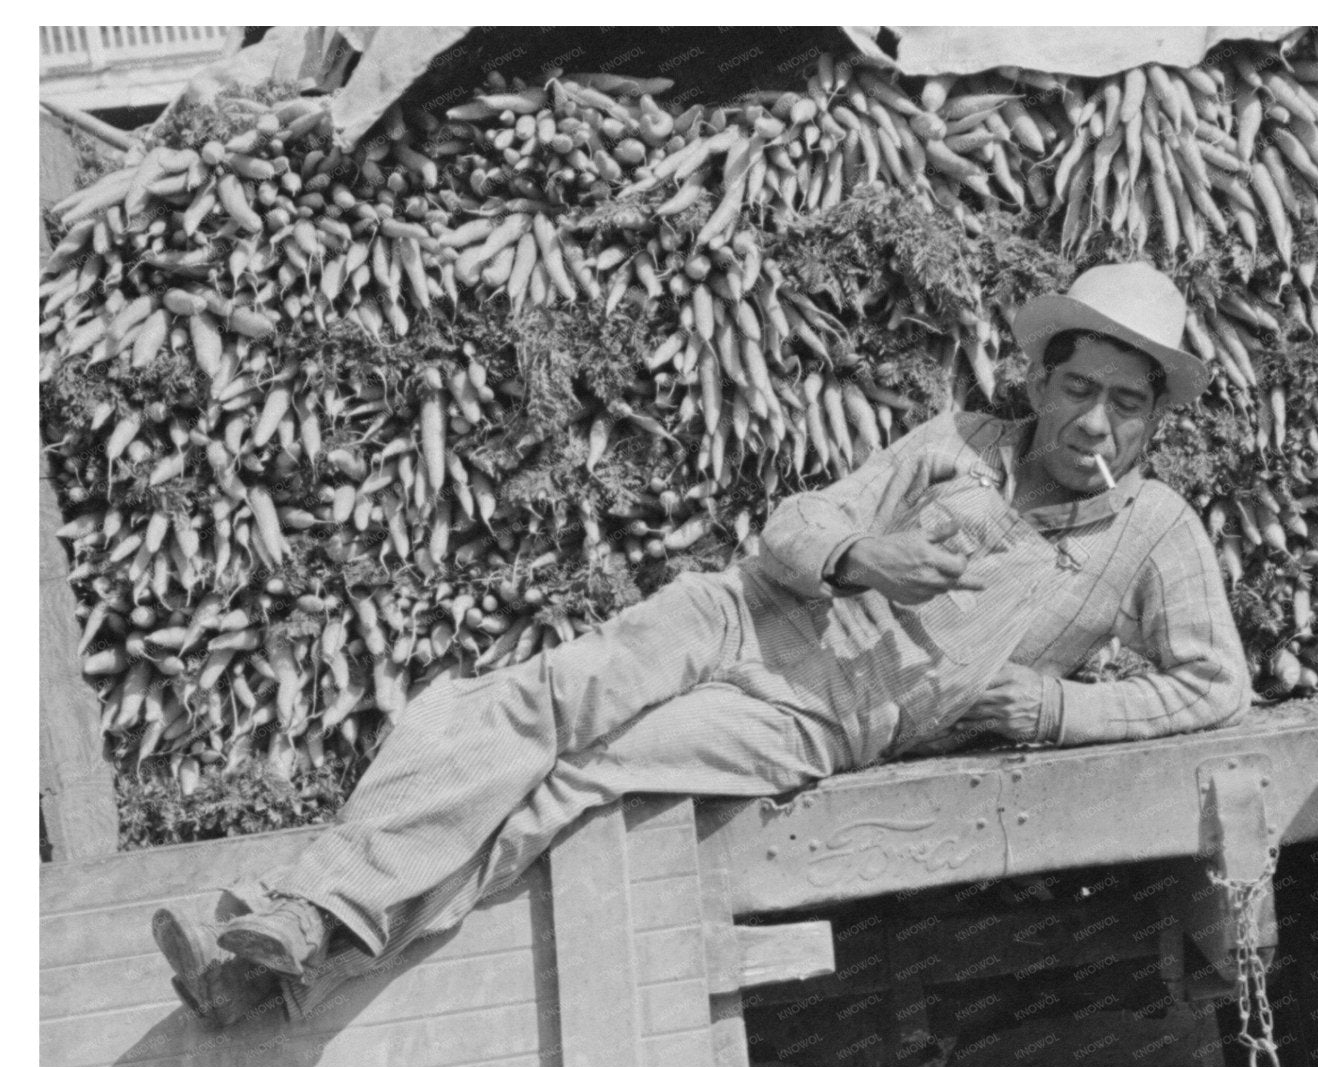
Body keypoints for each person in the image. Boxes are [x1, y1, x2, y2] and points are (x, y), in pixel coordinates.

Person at [153, 262, 1252, 1027]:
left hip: (814, 716)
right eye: (1075, 389)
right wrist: (866, 560)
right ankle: (307, 908)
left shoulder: (1153, 530)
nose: (1093, 426)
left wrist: (1060, 710)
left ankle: (300, 956)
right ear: (1037, 381)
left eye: (1122, 404)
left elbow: (1215, 684)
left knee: (576, 786)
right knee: (531, 702)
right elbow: (794, 526)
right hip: (740, 610)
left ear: (1153, 420)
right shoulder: (956, 439)